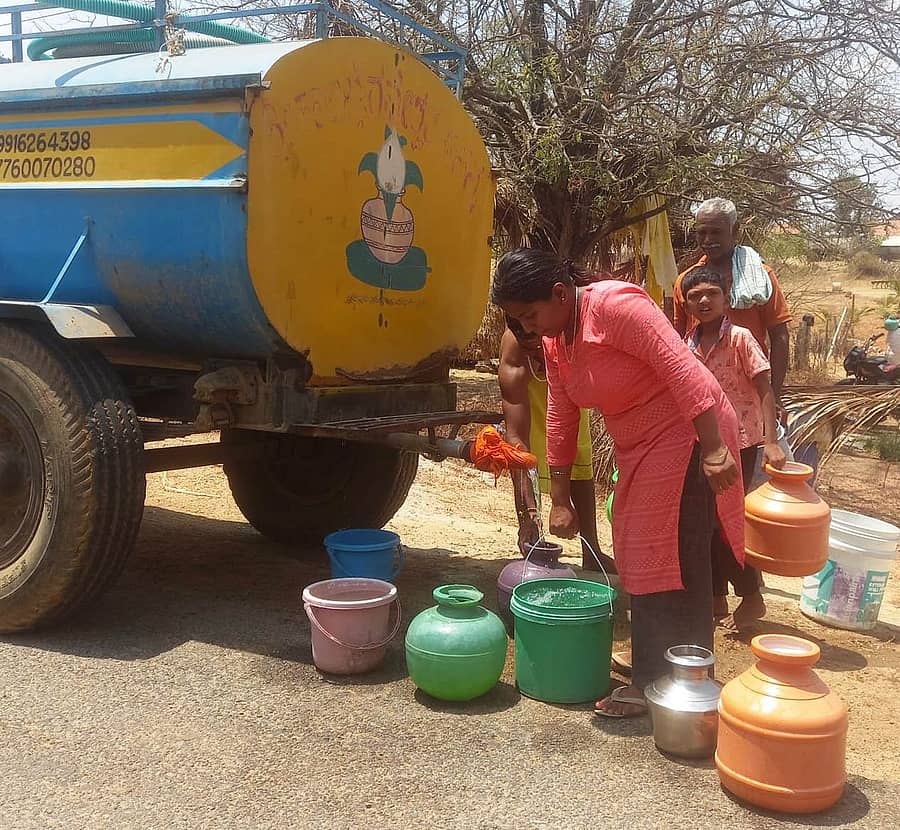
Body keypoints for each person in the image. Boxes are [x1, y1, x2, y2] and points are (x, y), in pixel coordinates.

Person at [492, 249, 744, 718]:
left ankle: (667, 679)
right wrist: (560, 498)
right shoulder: (555, 337)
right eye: (516, 321)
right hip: (641, 445)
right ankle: (665, 658)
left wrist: (713, 448)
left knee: (672, 552)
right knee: (637, 550)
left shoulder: (617, 308)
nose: (525, 329)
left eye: (529, 315)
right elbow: (561, 415)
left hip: (688, 431)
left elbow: (684, 371)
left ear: (560, 294)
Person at [682, 266, 786, 631]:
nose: (704, 301)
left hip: (741, 441)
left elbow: (765, 390)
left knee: (730, 522)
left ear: (726, 299)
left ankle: (751, 595)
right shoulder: (686, 344)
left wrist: (771, 441)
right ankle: (715, 598)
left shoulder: (741, 337)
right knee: (705, 523)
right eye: (695, 296)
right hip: (703, 444)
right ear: (687, 303)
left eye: (711, 293)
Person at [498, 315, 616, 574]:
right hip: (532, 406)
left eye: (540, 340)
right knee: (531, 463)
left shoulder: (568, 334)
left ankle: (591, 550)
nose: (537, 349)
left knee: (579, 460)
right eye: (529, 344)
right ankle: (534, 543)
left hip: (570, 396)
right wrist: (526, 515)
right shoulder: (514, 351)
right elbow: (517, 440)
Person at [673, 198, 791, 416]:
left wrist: (775, 395)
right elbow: (678, 339)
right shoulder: (686, 282)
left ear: (734, 230)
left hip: (750, 393)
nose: (708, 240)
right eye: (702, 233)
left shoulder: (760, 280)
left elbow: (779, 336)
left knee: (747, 449)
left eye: (716, 232)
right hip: (700, 393)